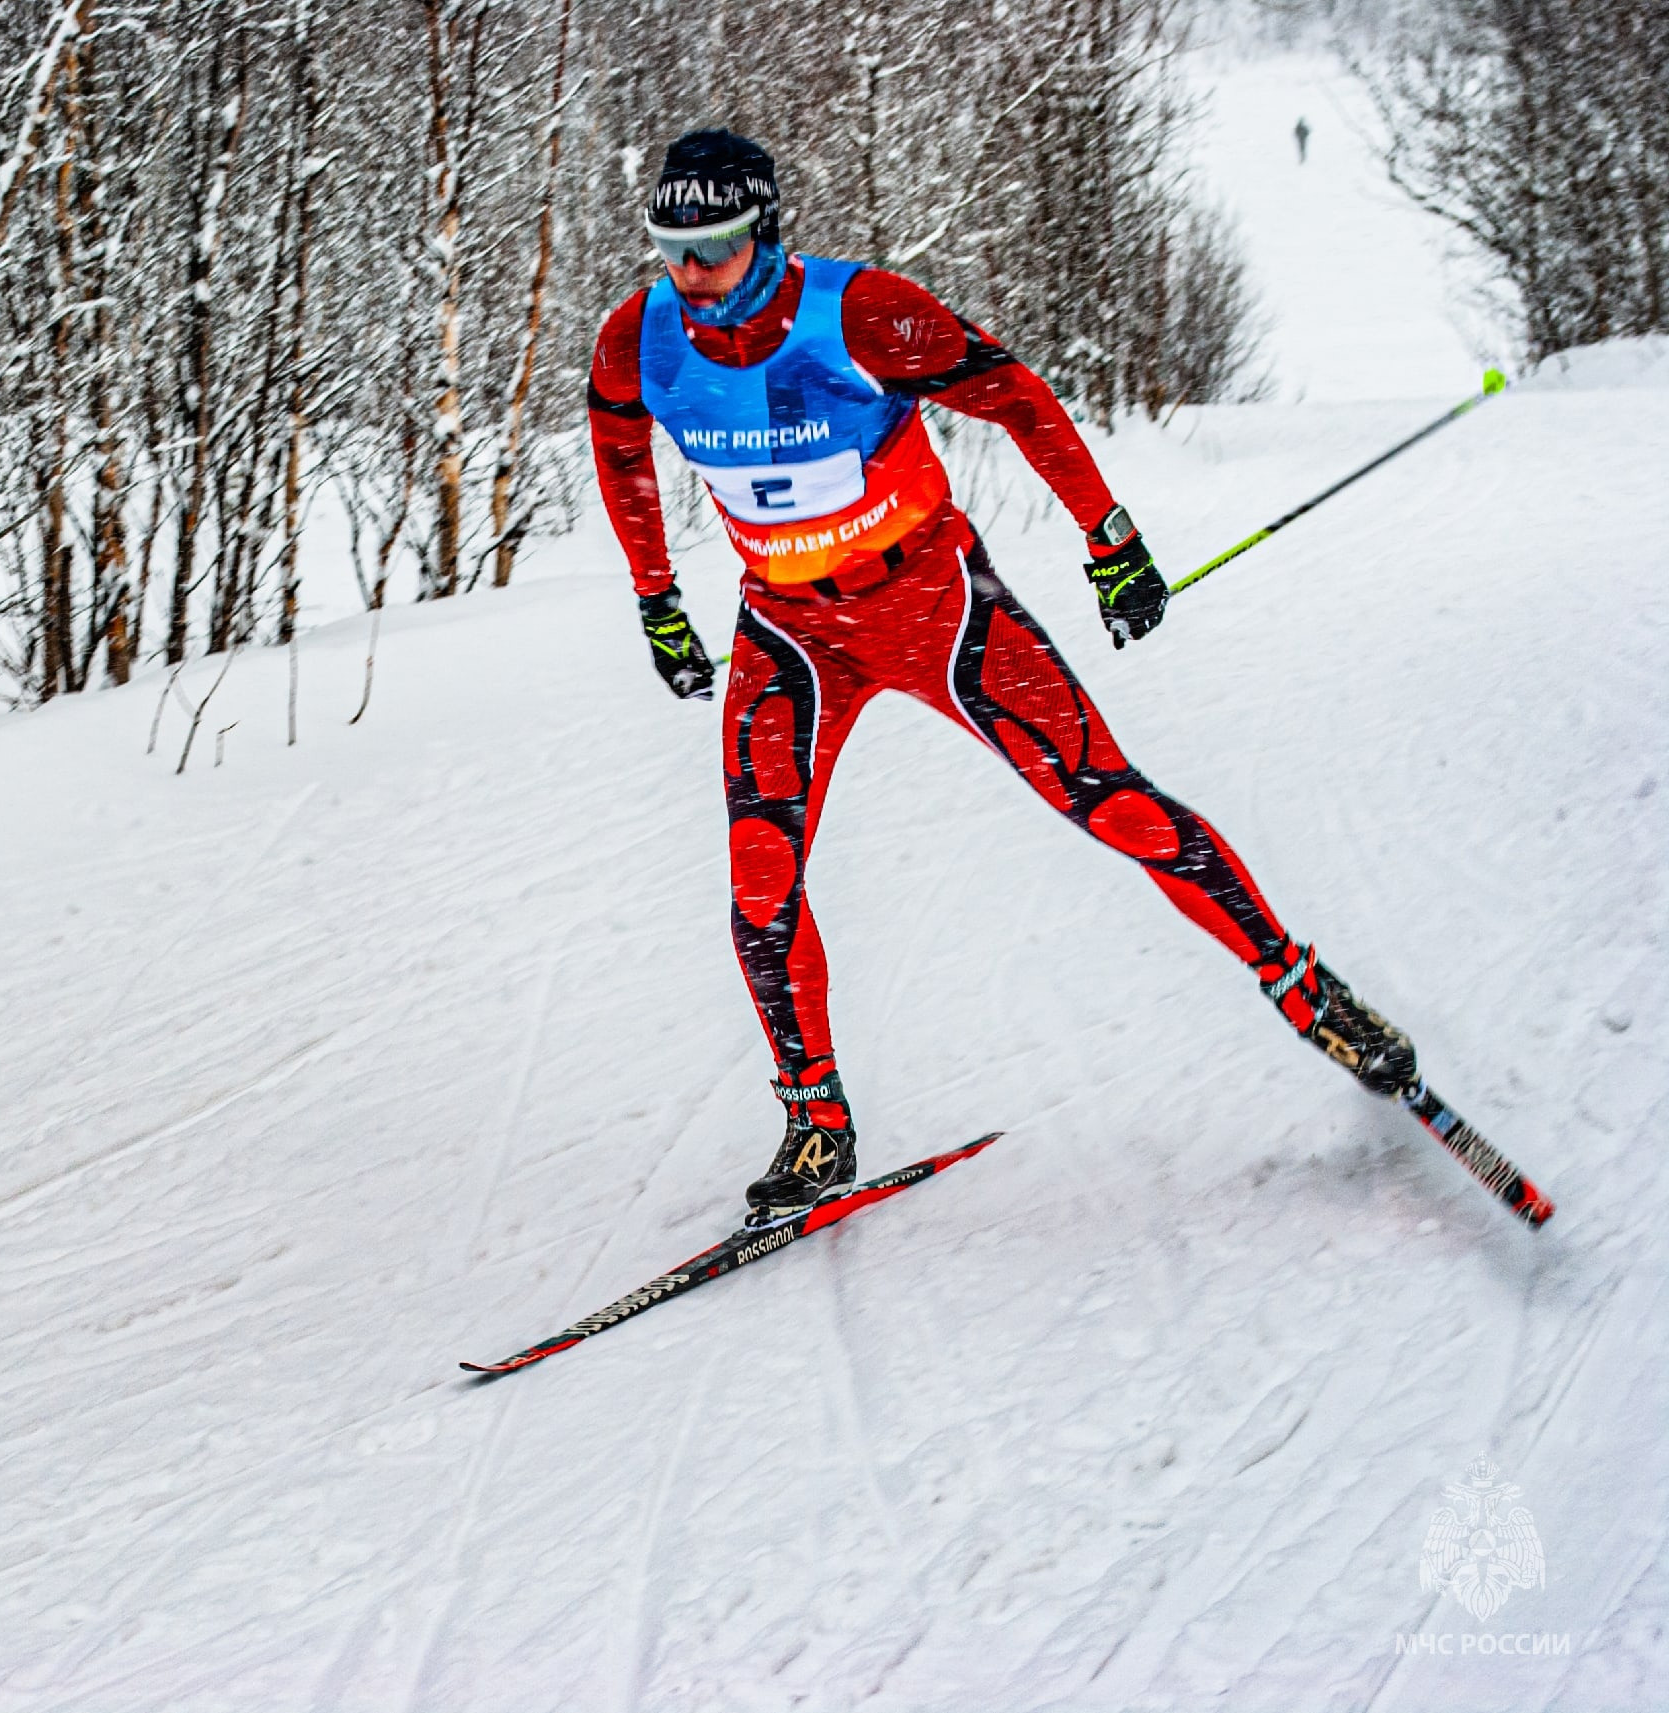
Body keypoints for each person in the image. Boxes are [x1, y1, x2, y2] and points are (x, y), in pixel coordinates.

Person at [588, 129, 1420, 1222]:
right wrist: (658, 604)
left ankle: (1311, 996)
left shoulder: (864, 313)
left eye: (717, 250)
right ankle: (815, 1125)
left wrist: (1109, 539)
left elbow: (1014, 397)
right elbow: (620, 462)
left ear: (768, 230)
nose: (690, 276)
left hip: (934, 605)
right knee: (758, 879)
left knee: (1110, 803)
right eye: (671, 250)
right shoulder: (638, 339)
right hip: (790, 634)